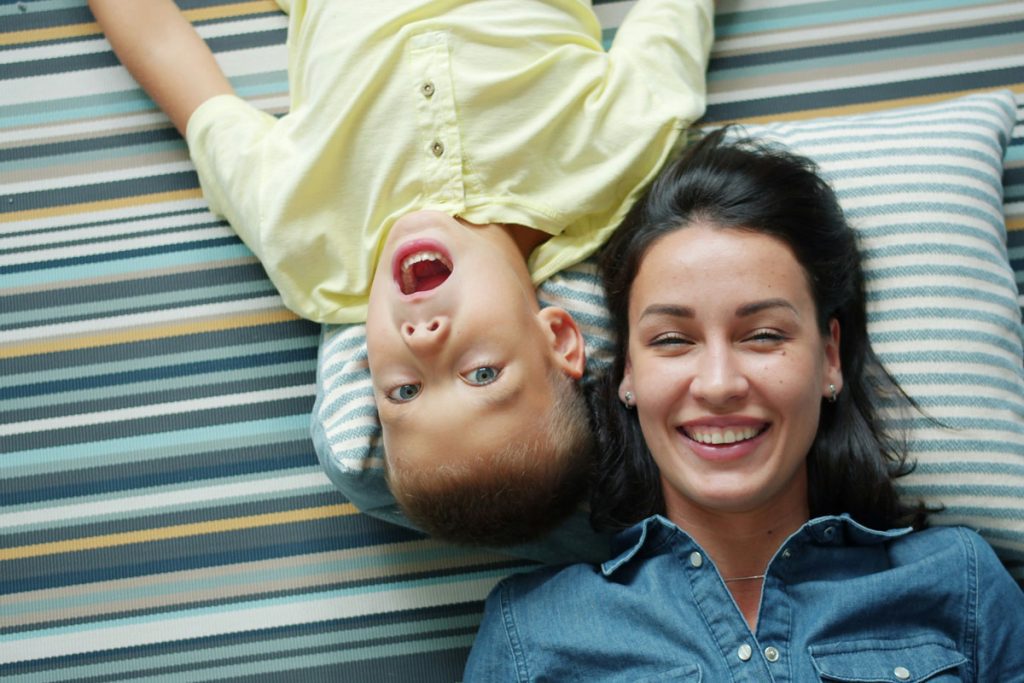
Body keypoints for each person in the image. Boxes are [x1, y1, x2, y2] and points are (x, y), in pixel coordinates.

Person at [86, 0, 714, 546]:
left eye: (404, 391)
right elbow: (675, 24)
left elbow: (175, 63)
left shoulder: (309, 243)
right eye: (481, 373)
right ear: (558, 338)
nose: (424, 341)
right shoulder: (611, 164)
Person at [463, 128, 1024, 680]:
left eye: (762, 335)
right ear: (628, 374)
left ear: (829, 357)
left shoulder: (961, 583)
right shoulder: (530, 635)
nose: (718, 384)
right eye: (672, 340)